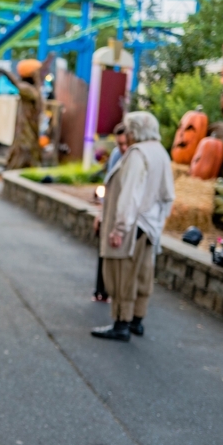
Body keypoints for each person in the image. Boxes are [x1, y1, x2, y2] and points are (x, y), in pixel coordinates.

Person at [92, 112, 175, 341]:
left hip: (132, 226)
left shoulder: (138, 154)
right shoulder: (160, 152)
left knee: (122, 275)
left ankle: (121, 323)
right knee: (142, 274)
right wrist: (158, 223)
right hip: (149, 226)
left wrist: (119, 228)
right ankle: (137, 320)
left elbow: (130, 194)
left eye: (129, 129)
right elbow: (168, 195)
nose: (127, 134)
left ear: (135, 130)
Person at [94, 124, 130, 302]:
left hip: (126, 211)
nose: (122, 148)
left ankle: (113, 292)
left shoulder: (135, 158)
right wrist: (100, 213)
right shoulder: (117, 155)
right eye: (119, 144)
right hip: (111, 207)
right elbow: (108, 184)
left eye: (125, 144)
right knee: (103, 249)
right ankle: (100, 290)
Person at [0, 59, 43, 170]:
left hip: (29, 132)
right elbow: (18, 85)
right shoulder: (29, 90)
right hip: (24, 133)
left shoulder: (32, 91)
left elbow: (18, 85)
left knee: (26, 149)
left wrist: (6, 73)